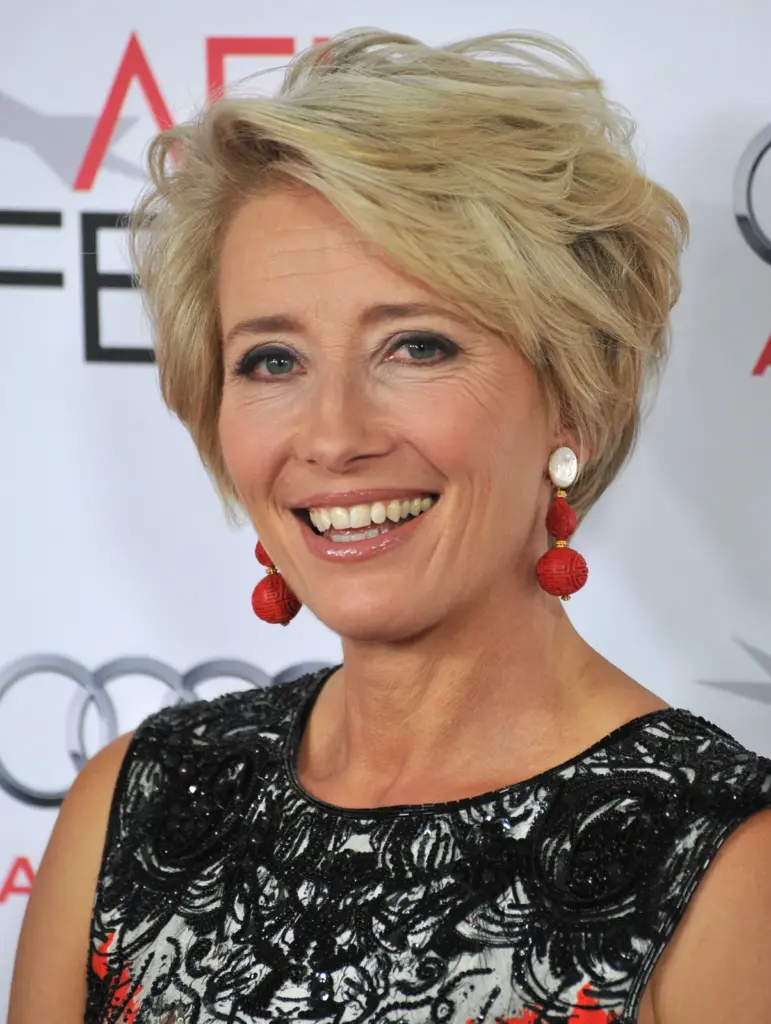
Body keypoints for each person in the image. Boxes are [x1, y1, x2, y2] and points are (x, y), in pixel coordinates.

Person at [9, 28, 771, 1024]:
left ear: (573, 400)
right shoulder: (136, 804)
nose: (333, 437)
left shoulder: (724, 866)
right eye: (273, 361)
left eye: (415, 346)